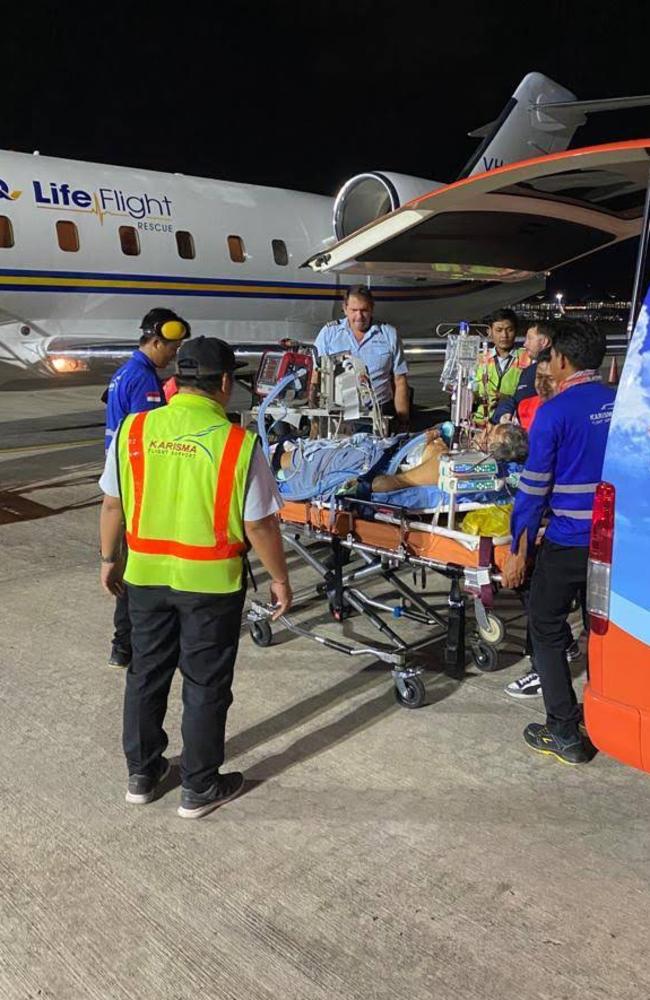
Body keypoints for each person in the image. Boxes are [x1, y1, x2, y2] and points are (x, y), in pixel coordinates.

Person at [99, 336, 292, 819]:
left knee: (145, 673)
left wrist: (109, 560)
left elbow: (111, 503)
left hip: (144, 577)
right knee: (205, 685)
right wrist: (281, 579)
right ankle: (199, 786)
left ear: (175, 382)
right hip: (211, 584)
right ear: (225, 383)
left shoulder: (134, 431)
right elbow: (259, 524)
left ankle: (142, 774)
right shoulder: (238, 444)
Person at [502, 321, 615, 764]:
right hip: (612, 545)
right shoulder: (621, 404)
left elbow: (532, 491)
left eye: (549, 358)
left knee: (546, 627)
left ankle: (564, 731)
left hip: (568, 541)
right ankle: (606, 714)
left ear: (563, 360)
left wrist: (518, 549)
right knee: (600, 631)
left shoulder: (554, 412)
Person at [104, 307, 191, 668]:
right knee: (137, 566)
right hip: (136, 483)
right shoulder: (143, 380)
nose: (174, 354)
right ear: (155, 341)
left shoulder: (126, 372)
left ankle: (124, 643)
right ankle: (126, 644)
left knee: (133, 561)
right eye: (171, 347)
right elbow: (149, 437)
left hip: (119, 475)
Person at [310, 285, 411, 430]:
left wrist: (403, 421)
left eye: (364, 310)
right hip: (338, 417)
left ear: (372, 308)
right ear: (345, 308)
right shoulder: (329, 333)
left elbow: (400, 380)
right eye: (354, 310)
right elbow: (316, 375)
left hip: (379, 416)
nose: (359, 316)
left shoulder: (389, 334)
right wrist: (314, 420)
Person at [492, 321, 554, 425]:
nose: (525, 344)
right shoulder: (529, 370)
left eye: (529, 338)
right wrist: (503, 413)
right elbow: (516, 399)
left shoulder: (544, 369)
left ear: (544, 341)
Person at [474, 308, 529, 424]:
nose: (504, 335)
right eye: (499, 330)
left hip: (510, 425)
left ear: (516, 331)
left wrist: (507, 399)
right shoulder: (479, 359)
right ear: (489, 332)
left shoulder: (528, 359)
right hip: (480, 425)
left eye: (509, 330)